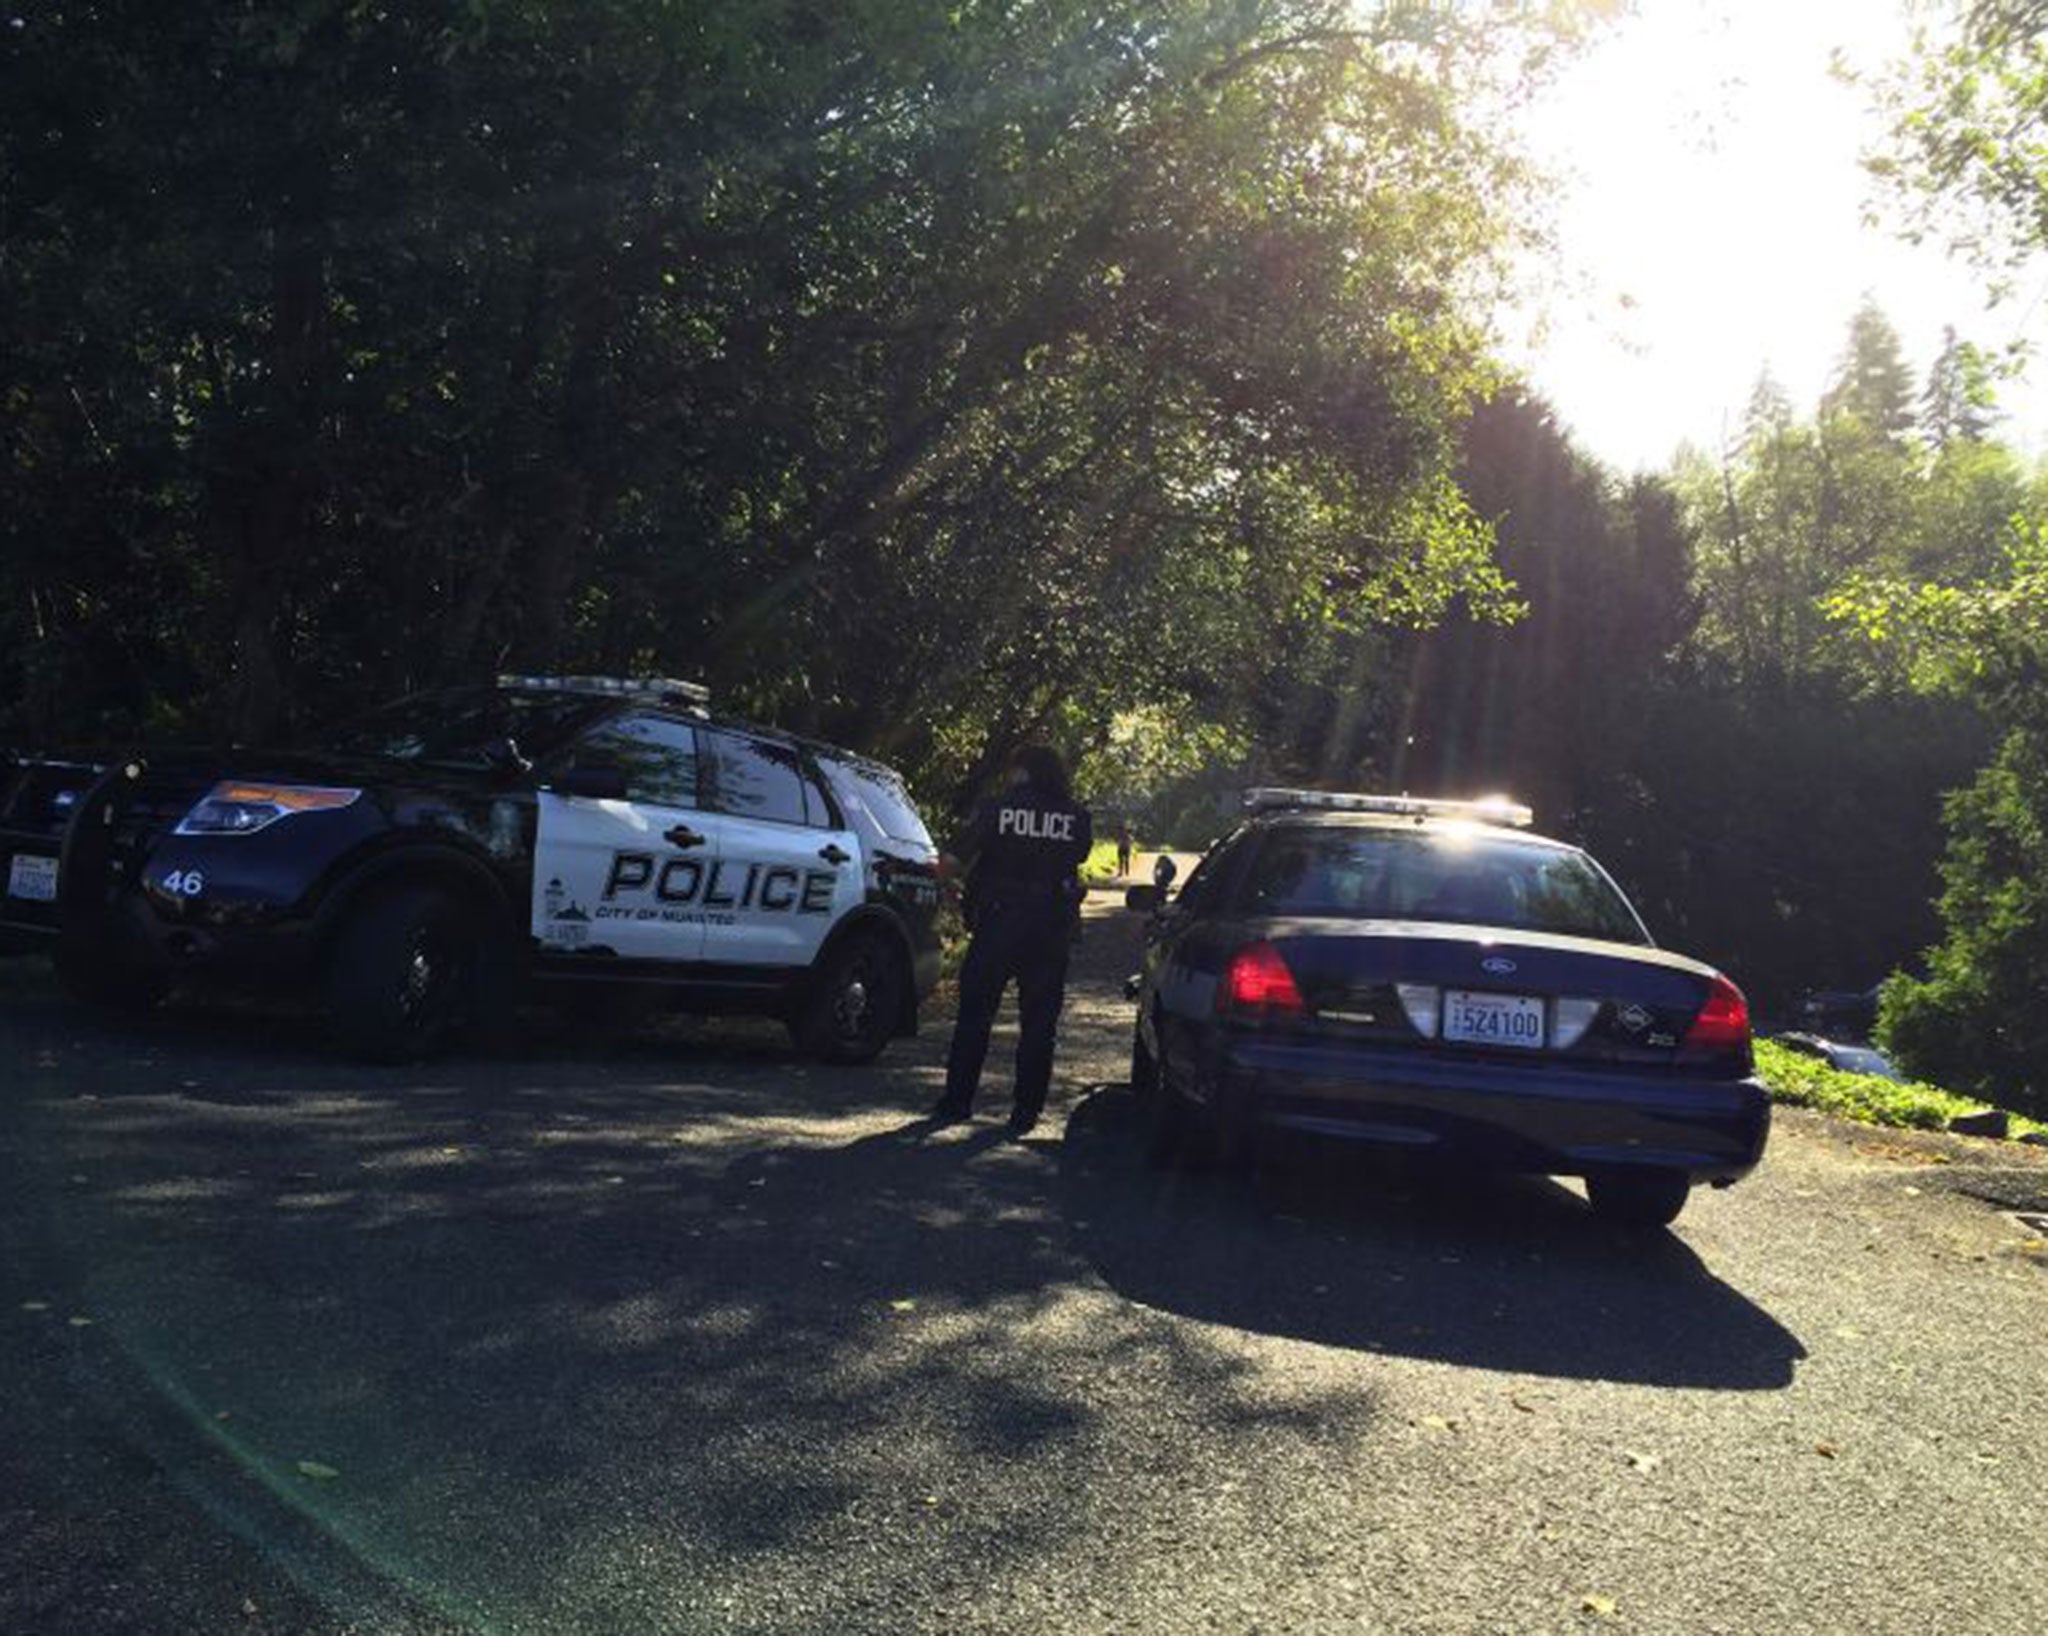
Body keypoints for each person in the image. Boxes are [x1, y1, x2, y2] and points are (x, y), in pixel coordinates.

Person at [932, 744, 1094, 1135]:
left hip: (999, 923)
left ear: (1021, 770)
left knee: (975, 1014)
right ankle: (1025, 1112)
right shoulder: (1076, 816)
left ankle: (957, 1102)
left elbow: (951, 863)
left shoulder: (998, 808)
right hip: (1051, 926)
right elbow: (1078, 856)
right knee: (1039, 1022)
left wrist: (945, 882)